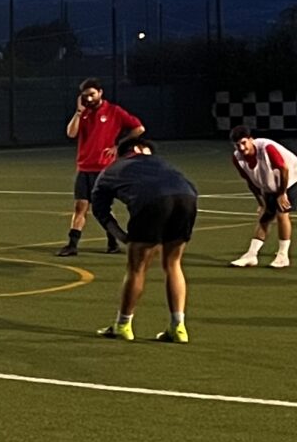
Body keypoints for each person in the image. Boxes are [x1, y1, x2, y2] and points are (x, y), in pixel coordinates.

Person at [89, 131, 198, 343]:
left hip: (152, 203)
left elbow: (100, 209)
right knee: (173, 264)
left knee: (137, 268)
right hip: (187, 199)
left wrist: (122, 236)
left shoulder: (112, 169)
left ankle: (123, 325)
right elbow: (188, 186)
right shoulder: (162, 163)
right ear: (139, 150)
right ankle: (178, 327)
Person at [59, 80, 144, 257]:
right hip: (84, 167)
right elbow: (71, 133)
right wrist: (78, 112)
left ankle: (113, 241)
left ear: (100, 92)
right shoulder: (84, 113)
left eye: (92, 94)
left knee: (103, 207)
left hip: (104, 169)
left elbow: (138, 128)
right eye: (86, 96)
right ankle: (72, 244)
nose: (89, 98)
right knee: (80, 206)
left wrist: (119, 146)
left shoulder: (114, 111)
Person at [227, 128, 297, 269]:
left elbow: (284, 169)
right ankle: (251, 255)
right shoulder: (237, 158)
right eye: (237, 145)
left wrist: (282, 193)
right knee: (266, 216)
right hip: (269, 180)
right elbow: (251, 182)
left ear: (251, 139)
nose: (242, 147)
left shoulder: (267, 148)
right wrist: (261, 203)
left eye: (244, 143)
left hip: (291, 176)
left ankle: (283, 256)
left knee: (282, 213)